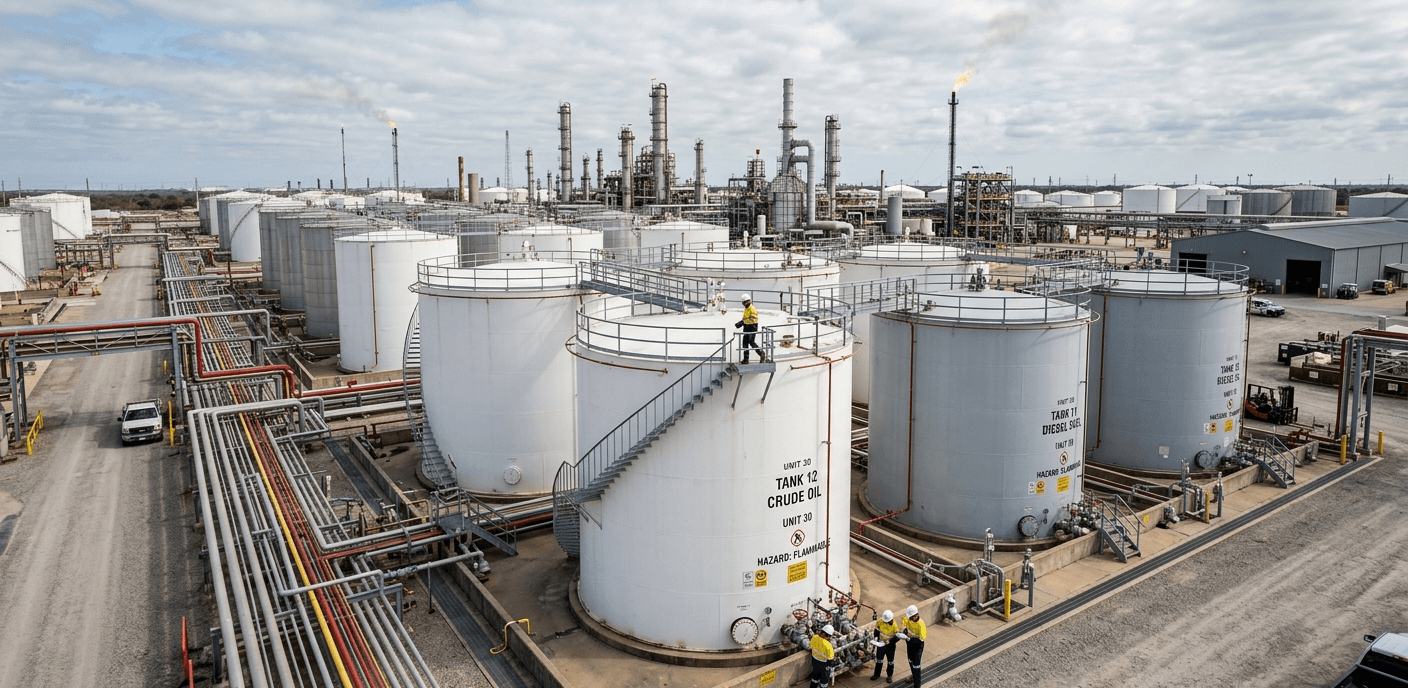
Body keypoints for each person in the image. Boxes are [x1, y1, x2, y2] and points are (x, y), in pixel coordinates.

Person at [899, 605, 927, 686]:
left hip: (917, 646)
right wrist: (904, 629)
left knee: (916, 665)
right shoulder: (908, 618)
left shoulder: (921, 624)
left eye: (911, 617)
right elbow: (903, 620)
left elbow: (921, 639)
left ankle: (917, 685)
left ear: (916, 615)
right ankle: (914, 676)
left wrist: (910, 639)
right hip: (909, 643)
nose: (910, 619)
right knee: (910, 661)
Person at [736, 294, 767, 363]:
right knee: (745, 343)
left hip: (752, 326)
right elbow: (746, 318)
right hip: (747, 327)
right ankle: (746, 359)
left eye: (745, 302)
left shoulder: (752, 309)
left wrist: (742, 322)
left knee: (751, 341)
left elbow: (752, 318)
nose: (744, 304)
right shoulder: (746, 309)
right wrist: (741, 322)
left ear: (748, 301)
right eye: (743, 303)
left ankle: (761, 353)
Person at [871, 609, 900, 681]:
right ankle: (876, 674)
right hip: (881, 644)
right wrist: (876, 637)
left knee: (890, 662)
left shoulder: (894, 625)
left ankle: (889, 676)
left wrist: (890, 641)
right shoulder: (880, 621)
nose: (884, 622)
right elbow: (876, 630)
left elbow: (897, 637)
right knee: (879, 660)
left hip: (890, 646)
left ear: (890, 620)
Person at [810, 624, 836, 688]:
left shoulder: (814, 637)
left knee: (814, 680)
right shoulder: (828, 645)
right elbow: (830, 658)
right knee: (823, 684)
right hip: (824, 666)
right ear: (828, 636)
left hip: (815, 662)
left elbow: (811, 646)